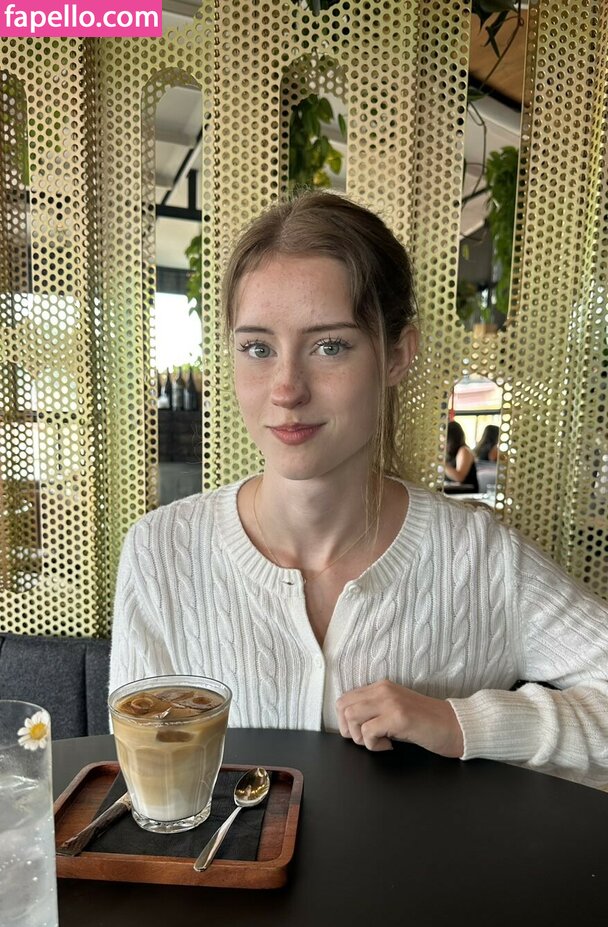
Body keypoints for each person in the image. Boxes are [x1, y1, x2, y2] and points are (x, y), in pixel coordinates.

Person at [110, 191, 608, 790]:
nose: (287, 389)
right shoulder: (162, 550)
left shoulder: (480, 559)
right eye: (258, 348)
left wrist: (465, 723)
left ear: (396, 356)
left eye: (330, 346)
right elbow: (148, 783)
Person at [444, 420, 479, 492]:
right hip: (455, 489)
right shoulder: (450, 453)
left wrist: (440, 462)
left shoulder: (464, 450)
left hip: (466, 491)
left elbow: (459, 477)